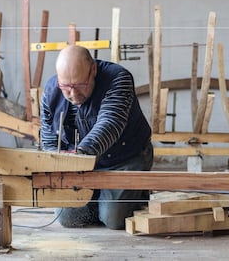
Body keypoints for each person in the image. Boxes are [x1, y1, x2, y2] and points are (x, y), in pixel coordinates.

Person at [40, 45, 153, 230]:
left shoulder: (118, 78)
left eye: (80, 85)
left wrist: (81, 154)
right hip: (82, 165)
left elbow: (110, 123)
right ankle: (101, 200)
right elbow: (49, 140)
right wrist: (59, 166)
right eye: (66, 87)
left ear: (93, 70)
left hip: (125, 157)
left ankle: (135, 195)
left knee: (113, 219)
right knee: (67, 218)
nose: (73, 94)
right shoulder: (51, 91)